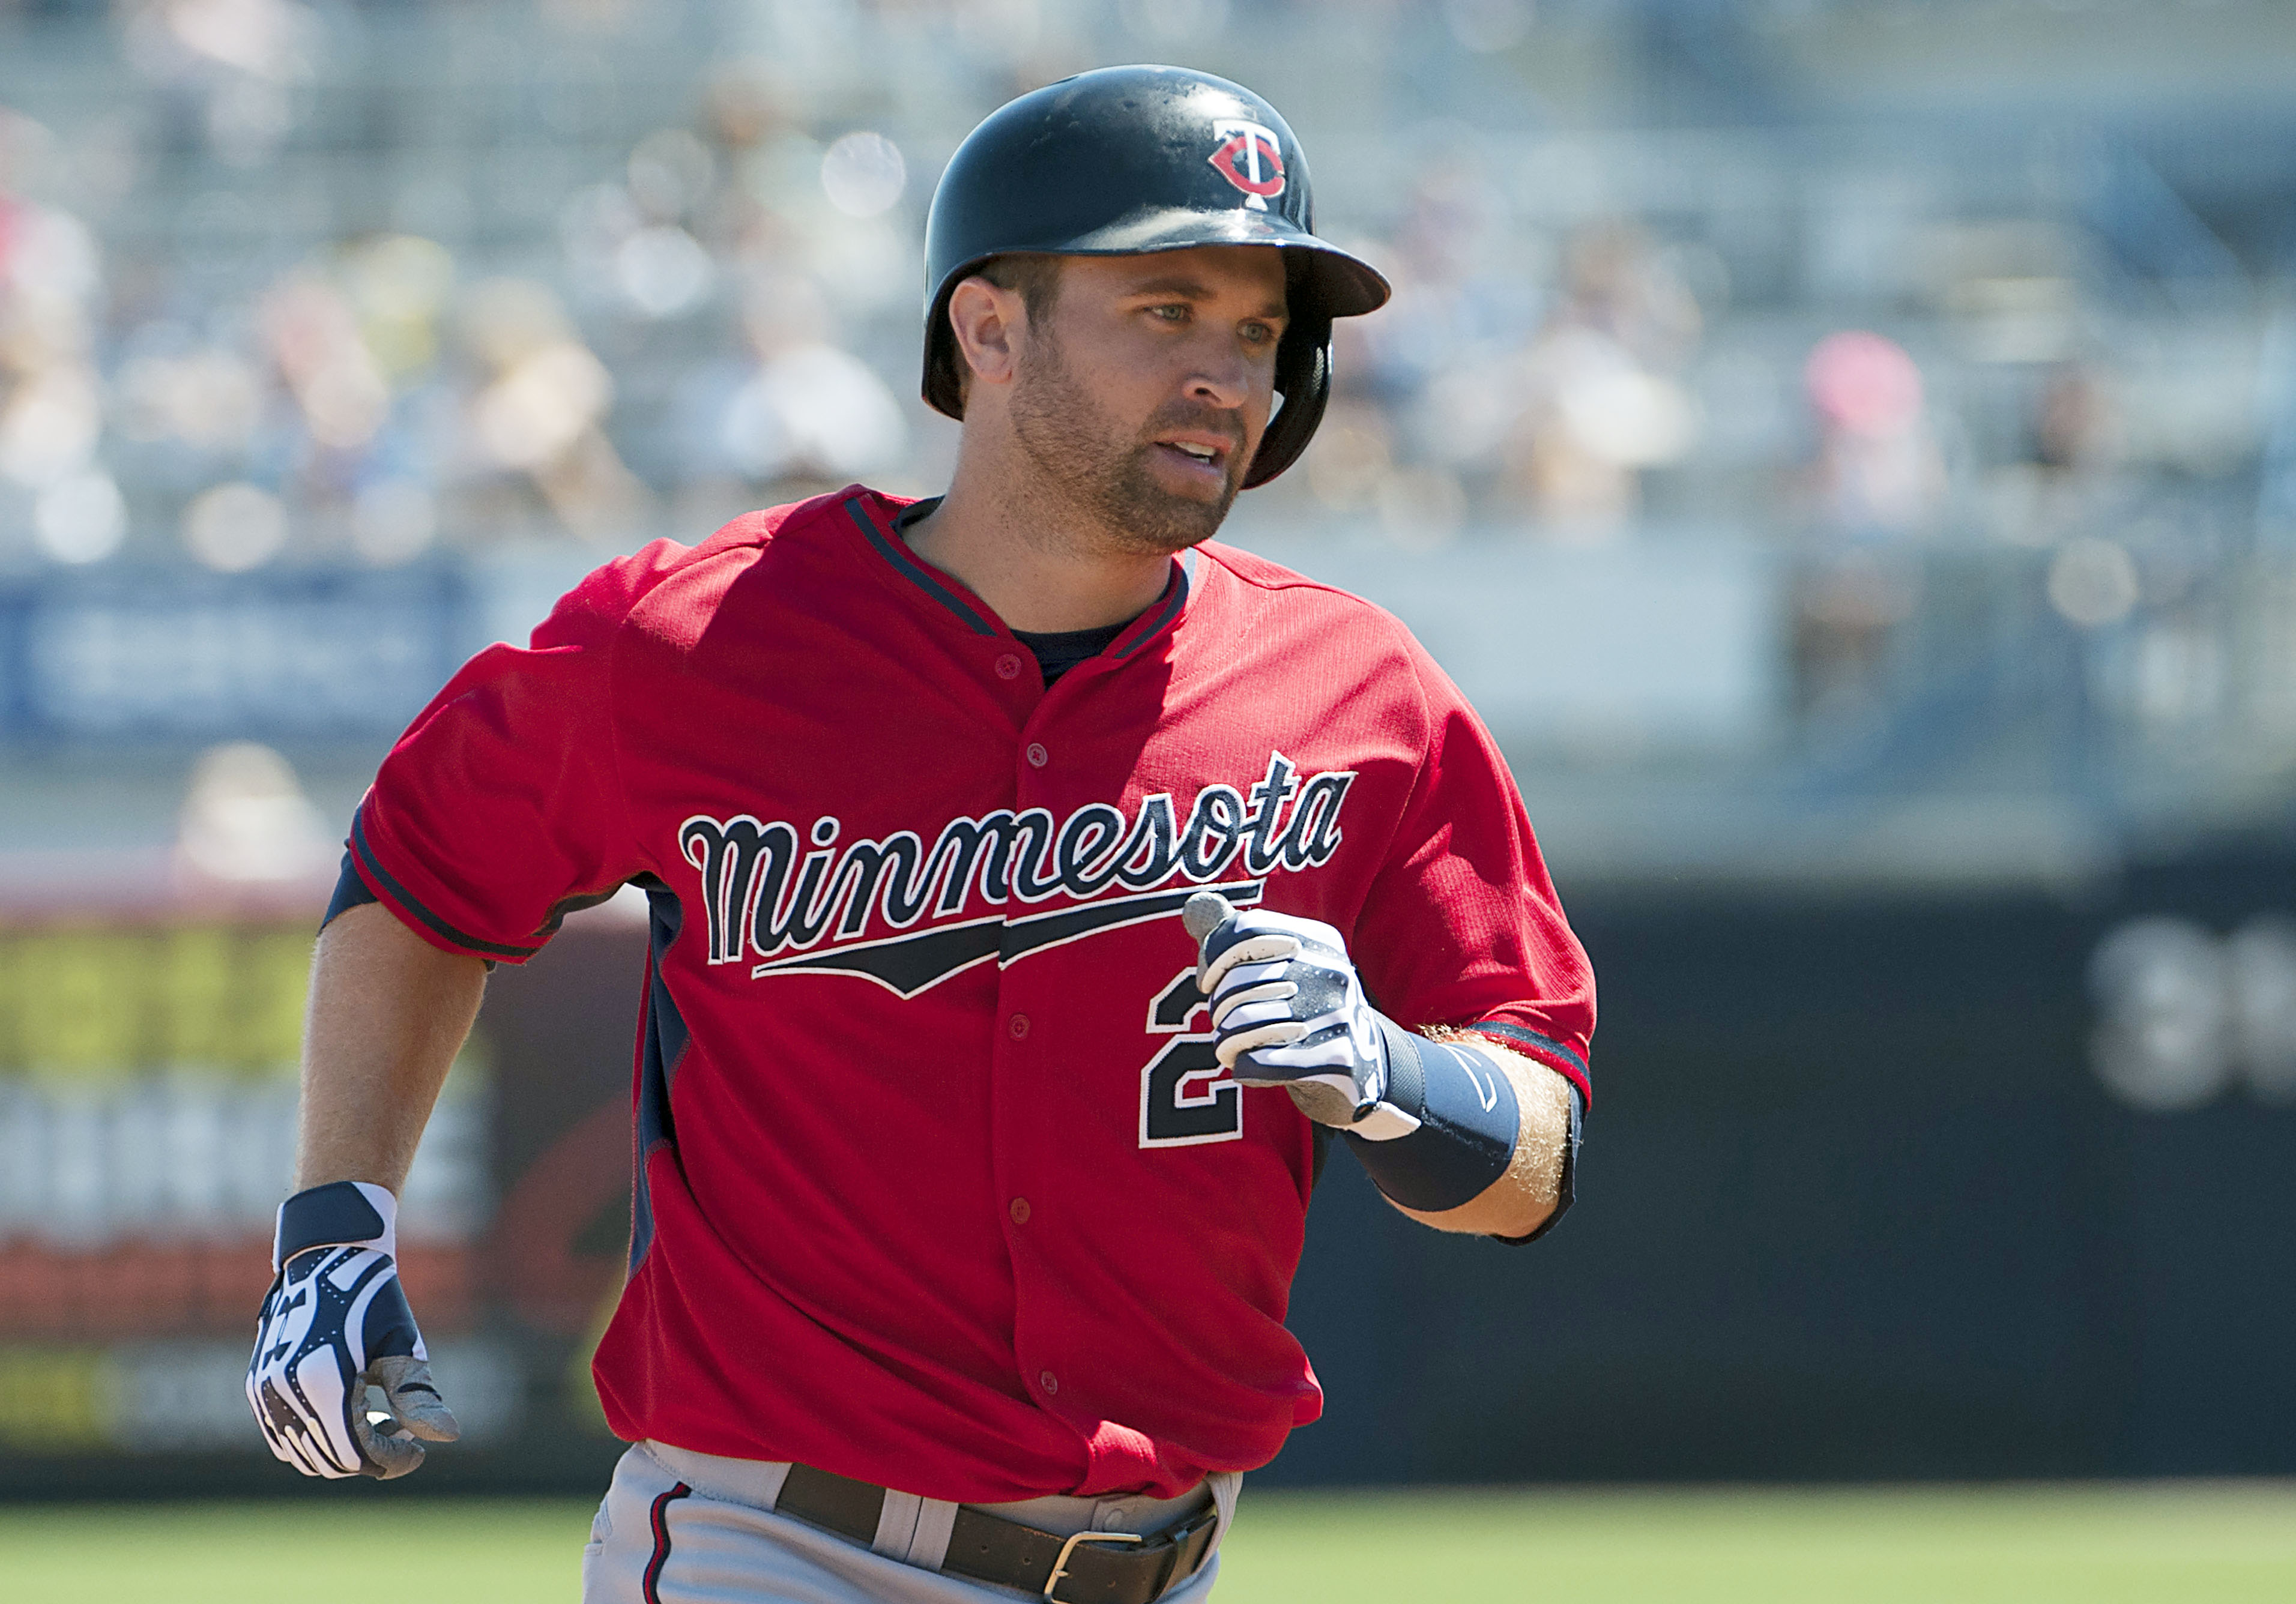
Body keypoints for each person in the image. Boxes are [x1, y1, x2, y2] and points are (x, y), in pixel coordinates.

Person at [245, 65, 1595, 1604]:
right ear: (989, 327)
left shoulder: (1362, 694)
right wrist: (333, 1227)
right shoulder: (699, 639)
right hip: (776, 1545)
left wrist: (1396, 1079)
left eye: (1257, 329)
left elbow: (1534, 1154)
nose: (1225, 370)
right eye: (1166, 309)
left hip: (1169, 1560)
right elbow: (420, 871)